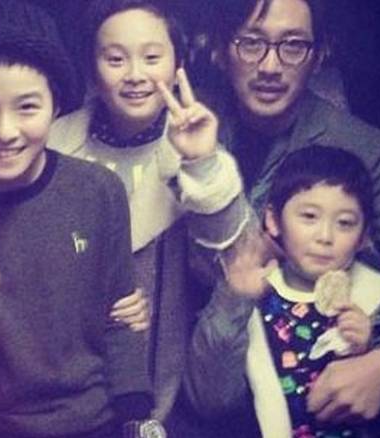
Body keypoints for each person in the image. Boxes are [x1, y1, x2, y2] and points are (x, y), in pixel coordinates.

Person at [0, 1, 164, 437]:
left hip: (95, 422)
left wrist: (138, 417)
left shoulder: (98, 192)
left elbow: (120, 317)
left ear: (56, 106)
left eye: (27, 107)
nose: (5, 131)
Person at [186, 0, 380, 431]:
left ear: (318, 55)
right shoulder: (184, 131)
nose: (270, 66)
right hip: (210, 383)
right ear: (221, 49)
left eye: (293, 45)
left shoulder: (362, 147)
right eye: (251, 42)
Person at [47, 0, 251, 428]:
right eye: (115, 59)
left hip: (161, 391)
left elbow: (228, 266)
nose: (135, 75)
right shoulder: (52, 145)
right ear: (93, 69)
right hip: (65, 387)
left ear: (177, 65)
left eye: (152, 57)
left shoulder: (193, 151)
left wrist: (203, 164)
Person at [247, 146, 380, 437]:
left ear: (363, 236)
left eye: (345, 223)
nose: (325, 236)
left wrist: (370, 346)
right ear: (273, 221)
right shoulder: (257, 293)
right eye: (309, 216)